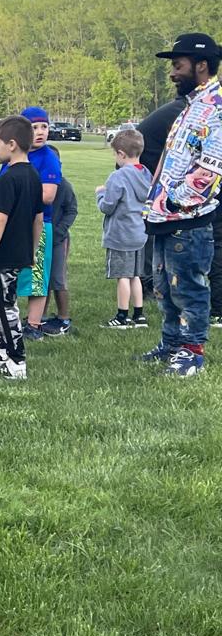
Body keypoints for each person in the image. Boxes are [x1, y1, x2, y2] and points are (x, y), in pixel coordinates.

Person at [140, 32, 222, 377]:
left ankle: (192, 352)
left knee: (188, 287)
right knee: (163, 287)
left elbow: (211, 169)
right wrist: (154, 200)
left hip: (188, 218)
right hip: (164, 216)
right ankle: (171, 342)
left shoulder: (216, 108)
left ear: (201, 65)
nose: (172, 73)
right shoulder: (191, 105)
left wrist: (175, 200)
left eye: (178, 65)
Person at [0, 116, 44, 380]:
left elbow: (0, 219)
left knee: (5, 305)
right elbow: (38, 219)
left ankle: (17, 361)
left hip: (4, 255)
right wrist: (33, 251)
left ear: (12, 145)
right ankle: (2, 346)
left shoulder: (8, 179)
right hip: (16, 253)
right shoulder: (33, 176)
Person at [0, 106, 61, 341]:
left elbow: (48, 195)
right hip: (12, 223)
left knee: (36, 274)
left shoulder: (48, 158)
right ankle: (6, 317)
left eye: (44, 126)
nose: (40, 132)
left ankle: (33, 324)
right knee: (8, 271)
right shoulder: (14, 155)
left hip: (37, 223)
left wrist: (18, 194)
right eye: (34, 127)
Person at [96, 129, 153, 329]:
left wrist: (100, 194)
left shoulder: (117, 177)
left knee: (122, 276)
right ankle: (139, 315)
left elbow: (107, 206)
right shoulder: (146, 174)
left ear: (121, 154)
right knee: (136, 275)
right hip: (139, 233)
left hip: (121, 235)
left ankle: (121, 316)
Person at [136, 97, 186, 297]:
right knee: (150, 224)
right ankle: (146, 279)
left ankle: (154, 277)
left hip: (151, 164)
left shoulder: (186, 107)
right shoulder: (189, 110)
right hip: (144, 167)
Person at [40, 174, 78, 335]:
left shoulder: (63, 185)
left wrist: (59, 231)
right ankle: (40, 315)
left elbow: (72, 210)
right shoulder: (37, 182)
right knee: (42, 278)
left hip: (58, 239)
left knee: (58, 279)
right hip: (39, 237)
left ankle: (63, 318)